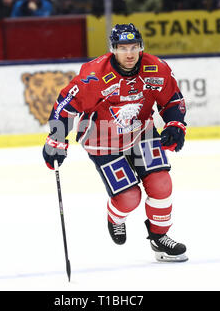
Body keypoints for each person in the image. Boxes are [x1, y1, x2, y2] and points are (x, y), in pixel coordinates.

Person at [42, 23, 188, 262]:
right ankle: (116, 217)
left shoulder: (156, 68)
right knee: (129, 198)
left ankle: (160, 239)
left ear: (141, 47)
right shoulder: (94, 75)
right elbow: (65, 106)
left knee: (162, 184)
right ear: (113, 49)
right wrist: (56, 140)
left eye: (133, 47)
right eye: (122, 48)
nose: (129, 53)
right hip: (102, 137)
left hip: (142, 132)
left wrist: (174, 124)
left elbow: (172, 100)